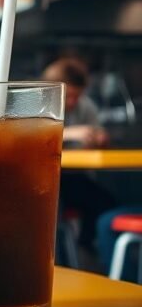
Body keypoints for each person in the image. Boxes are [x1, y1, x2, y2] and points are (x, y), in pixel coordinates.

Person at [42, 58, 117, 249]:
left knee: (105, 203)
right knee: (50, 213)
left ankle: (86, 248)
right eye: (69, 96)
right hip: (45, 180)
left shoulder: (86, 106)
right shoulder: (39, 103)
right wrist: (69, 133)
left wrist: (100, 139)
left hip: (74, 177)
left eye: (78, 96)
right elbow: (32, 140)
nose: (73, 102)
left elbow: (99, 137)